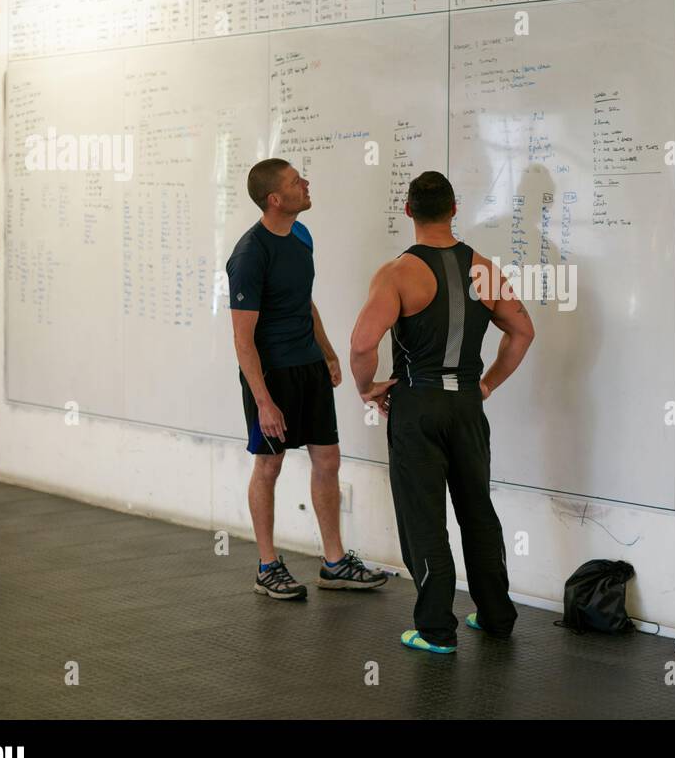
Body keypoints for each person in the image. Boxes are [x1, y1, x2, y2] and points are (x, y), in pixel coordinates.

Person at [349, 171, 534, 653]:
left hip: (418, 405)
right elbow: (522, 332)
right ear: (455, 208)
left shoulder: (396, 274)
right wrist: (487, 384)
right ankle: (496, 617)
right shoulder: (485, 269)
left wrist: (368, 388)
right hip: (467, 406)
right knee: (478, 511)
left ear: (408, 211)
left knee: (423, 518)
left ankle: (435, 630)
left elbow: (363, 343)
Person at [225, 158, 387, 599]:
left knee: (328, 459)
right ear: (275, 199)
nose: (307, 183)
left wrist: (329, 352)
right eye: (297, 182)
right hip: (271, 374)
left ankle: (334, 562)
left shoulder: (300, 234)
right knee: (270, 464)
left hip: (309, 366)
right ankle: (267, 566)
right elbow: (243, 340)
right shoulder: (249, 255)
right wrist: (263, 401)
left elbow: (304, 301)